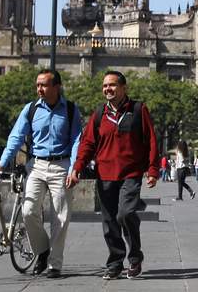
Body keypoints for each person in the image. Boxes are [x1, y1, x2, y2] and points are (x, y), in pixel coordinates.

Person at [67, 71, 158, 280]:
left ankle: (135, 257)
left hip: (131, 173)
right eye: (105, 86)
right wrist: (77, 168)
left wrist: (152, 170)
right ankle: (116, 262)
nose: (108, 89)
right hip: (105, 173)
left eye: (112, 85)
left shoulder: (138, 109)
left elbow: (151, 140)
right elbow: (88, 143)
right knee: (109, 221)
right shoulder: (99, 114)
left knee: (125, 214)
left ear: (124, 88)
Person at [0, 69, 82, 279]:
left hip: (62, 165)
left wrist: (74, 168)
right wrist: (3, 161)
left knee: (60, 216)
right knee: (28, 210)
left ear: (57, 87)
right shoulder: (31, 109)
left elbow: (77, 140)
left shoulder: (70, 109)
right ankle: (42, 250)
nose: (39, 89)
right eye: (37, 85)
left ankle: (54, 264)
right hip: (37, 165)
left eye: (43, 85)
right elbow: (16, 136)